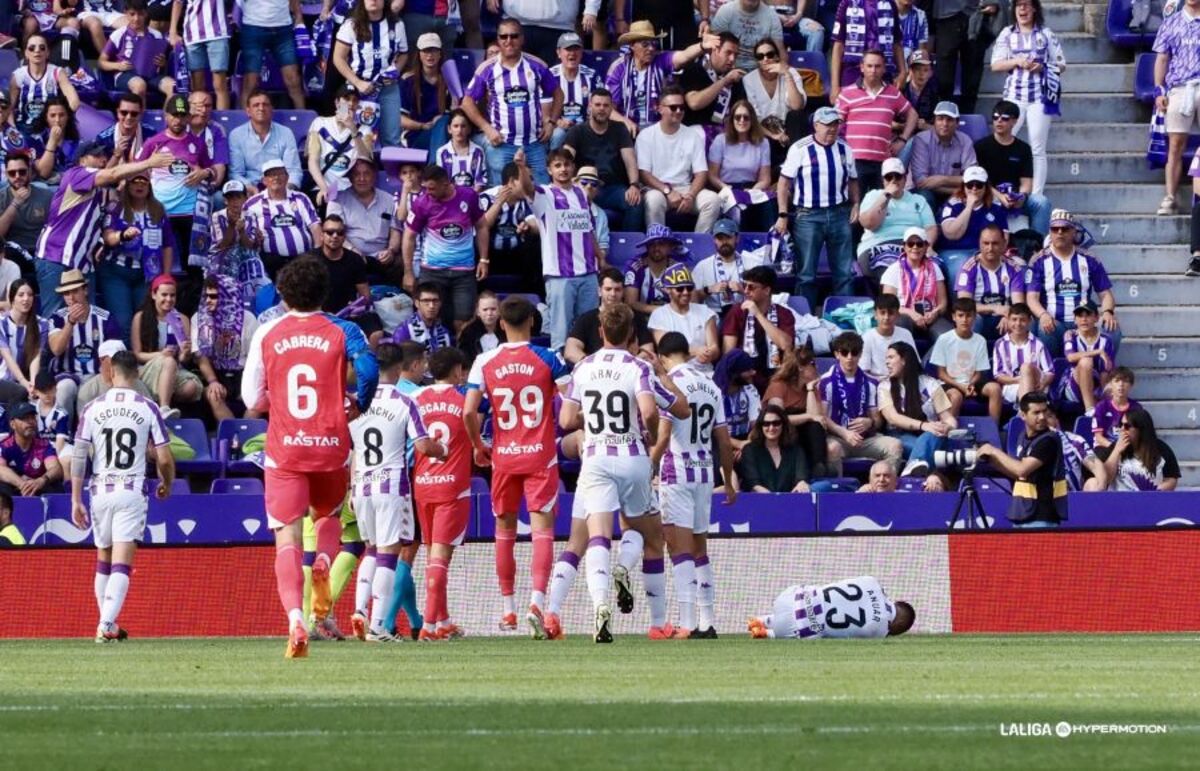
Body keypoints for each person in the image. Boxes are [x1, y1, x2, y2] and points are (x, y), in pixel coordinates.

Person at [241, 256, 379, 658]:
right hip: (331, 445)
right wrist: (360, 402)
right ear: (326, 292)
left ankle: (295, 619)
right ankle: (323, 558)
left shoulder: (268, 332)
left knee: (286, 537)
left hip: (285, 449)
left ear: (282, 295)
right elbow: (368, 367)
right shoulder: (344, 329)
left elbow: (251, 398)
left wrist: (278, 401)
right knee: (329, 517)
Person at [560, 303, 683, 643]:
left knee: (597, 536)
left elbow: (566, 421)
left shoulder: (583, 367)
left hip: (596, 459)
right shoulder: (636, 366)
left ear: (600, 331)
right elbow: (653, 410)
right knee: (652, 538)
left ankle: (600, 608)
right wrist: (651, 433)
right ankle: (657, 622)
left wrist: (594, 420)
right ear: (631, 334)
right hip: (632, 458)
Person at [465, 296, 573, 636]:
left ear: (500, 324)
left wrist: (477, 446)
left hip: (504, 455)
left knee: (504, 533)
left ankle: (508, 609)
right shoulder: (549, 358)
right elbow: (570, 400)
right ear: (532, 321)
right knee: (543, 531)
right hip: (540, 453)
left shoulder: (485, 360)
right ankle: (536, 603)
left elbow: (469, 411)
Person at [70, 351, 173, 643]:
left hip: (99, 490)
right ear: (137, 374)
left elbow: (79, 456)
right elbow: (164, 457)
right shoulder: (148, 407)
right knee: (122, 564)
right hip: (131, 489)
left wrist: (75, 498)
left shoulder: (92, 407)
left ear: (111, 373)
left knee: (103, 558)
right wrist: (167, 481)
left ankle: (107, 623)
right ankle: (106, 624)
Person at [347, 342, 443, 642]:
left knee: (372, 550)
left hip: (361, 484)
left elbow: (351, 449)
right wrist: (443, 450)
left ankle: (360, 610)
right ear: (399, 367)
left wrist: (350, 485)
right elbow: (424, 446)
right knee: (390, 552)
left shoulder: (353, 403)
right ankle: (377, 626)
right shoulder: (404, 401)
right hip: (391, 485)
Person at [651, 331, 735, 638]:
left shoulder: (668, 384)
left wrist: (649, 466)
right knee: (700, 549)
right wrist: (728, 481)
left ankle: (686, 622)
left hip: (677, 470)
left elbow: (663, 435)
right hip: (704, 473)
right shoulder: (712, 385)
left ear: (662, 357)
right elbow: (724, 442)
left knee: (678, 547)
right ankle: (707, 621)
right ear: (686, 352)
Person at [35, 140, 174, 317]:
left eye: (104, 156)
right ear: (82, 160)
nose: (102, 159)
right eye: (97, 156)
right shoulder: (76, 174)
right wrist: (148, 162)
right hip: (56, 257)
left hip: (84, 263)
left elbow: (119, 191)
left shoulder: (101, 192)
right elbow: (113, 173)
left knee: (89, 319)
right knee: (55, 318)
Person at [411, 347, 472, 640]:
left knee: (431, 557)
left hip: (422, 485)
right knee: (440, 558)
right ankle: (429, 626)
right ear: (458, 371)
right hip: (453, 487)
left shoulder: (416, 399)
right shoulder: (464, 400)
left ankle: (443, 619)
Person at [517, 148, 602, 349]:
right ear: (549, 170)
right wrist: (521, 167)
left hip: (589, 273)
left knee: (589, 333)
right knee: (561, 335)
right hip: (559, 275)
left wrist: (601, 259)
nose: (563, 169)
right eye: (557, 165)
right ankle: (561, 378)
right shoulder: (545, 194)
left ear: (573, 167)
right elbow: (527, 189)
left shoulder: (582, 193)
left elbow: (588, 230)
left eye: (566, 164)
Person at [777, 105, 860, 307]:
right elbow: (783, 183)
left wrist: (856, 203)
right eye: (827, 125)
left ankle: (845, 316)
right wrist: (783, 214)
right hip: (808, 215)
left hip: (839, 212)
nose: (832, 129)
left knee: (844, 271)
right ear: (816, 125)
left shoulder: (844, 148)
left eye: (835, 124)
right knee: (806, 273)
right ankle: (804, 316)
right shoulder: (800, 148)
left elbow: (853, 179)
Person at [461, 18, 561, 186]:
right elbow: (467, 102)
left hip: (534, 143)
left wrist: (551, 122)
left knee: (541, 194)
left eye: (514, 36)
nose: (509, 41)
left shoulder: (537, 65)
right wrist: (487, 128)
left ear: (522, 38)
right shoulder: (487, 69)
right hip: (502, 144)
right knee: (502, 194)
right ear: (498, 39)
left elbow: (558, 94)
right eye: (504, 36)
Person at [990, 0, 1065, 197]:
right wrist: (1017, 61)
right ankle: (1002, 189)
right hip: (1014, 96)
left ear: (1034, 8)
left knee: (1038, 147)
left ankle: (1036, 195)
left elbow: (1061, 64)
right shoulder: (1007, 33)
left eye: (1026, 5)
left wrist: (1042, 67)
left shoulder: (1046, 34)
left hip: (1040, 97)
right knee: (1003, 141)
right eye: (1018, 5)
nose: (1022, 9)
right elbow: (995, 64)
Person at [401, 164, 489, 331]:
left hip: (464, 271)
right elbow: (409, 236)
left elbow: (482, 226)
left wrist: (484, 259)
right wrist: (408, 272)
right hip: (432, 270)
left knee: (463, 323)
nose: (428, 193)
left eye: (432, 189)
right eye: (425, 188)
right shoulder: (422, 203)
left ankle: (462, 356)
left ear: (445, 183)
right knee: (429, 319)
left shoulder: (469, 196)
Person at [1025, 209, 1120, 356]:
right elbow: (1032, 298)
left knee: (1111, 328)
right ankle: (1053, 373)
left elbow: (1106, 294)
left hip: (1085, 321)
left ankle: (1105, 371)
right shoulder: (1039, 260)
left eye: (1065, 228)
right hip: (1055, 323)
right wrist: (1043, 315)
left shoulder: (1090, 259)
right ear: (1050, 232)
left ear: (1074, 232)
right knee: (1045, 328)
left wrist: (1107, 312)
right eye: (1055, 229)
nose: (1060, 232)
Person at [99, 172, 175, 339]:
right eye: (135, 182)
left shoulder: (158, 210)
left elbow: (168, 245)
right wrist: (123, 235)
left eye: (144, 182)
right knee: (123, 322)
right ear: (127, 185)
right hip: (116, 271)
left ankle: (142, 360)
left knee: (144, 321)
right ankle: (125, 362)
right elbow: (108, 237)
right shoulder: (116, 207)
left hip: (147, 274)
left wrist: (166, 275)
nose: (140, 186)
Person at [636, 86, 723, 233]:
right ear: (660, 108)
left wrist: (690, 195)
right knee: (654, 200)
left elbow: (701, 173)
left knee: (713, 200)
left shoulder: (692, 135)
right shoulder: (646, 135)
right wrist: (667, 191)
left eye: (681, 108)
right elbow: (644, 173)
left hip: (686, 189)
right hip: (658, 189)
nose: (678, 111)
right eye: (673, 107)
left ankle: (699, 245)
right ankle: (657, 243)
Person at [976, 391, 1068, 528]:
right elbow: (1018, 474)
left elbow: (1021, 470)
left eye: (1044, 411)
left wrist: (993, 450)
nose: (1042, 417)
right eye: (1036, 413)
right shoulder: (1022, 437)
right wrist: (993, 461)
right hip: (1022, 513)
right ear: (1023, 415)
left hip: (1042, 516)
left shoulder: (1049, 440)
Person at [818, 331, 905, 474]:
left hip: (865, 439)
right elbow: (822, 417)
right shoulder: (825, 381)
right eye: (844, 353)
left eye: (855, 352)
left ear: (860, 354)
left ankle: (886, 488)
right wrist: (844, 433)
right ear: (836, 354)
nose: (849, 357)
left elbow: (877, 420)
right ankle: (838, 490)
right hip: (837, 438)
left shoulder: (870, 382)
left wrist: (869, 422)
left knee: (895, 446)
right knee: (832, 449)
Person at [605, 23, 712, 134]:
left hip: (658, 128)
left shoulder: (661, 61)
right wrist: (625, 122)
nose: (651, 48)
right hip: (627, 129)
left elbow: (684, 56)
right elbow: (609, 108)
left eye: (654, 43)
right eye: (645, 44)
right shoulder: (618, 68)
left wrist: (702, 46)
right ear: (632, 45)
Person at [562, 87, 644, 231]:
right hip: (586, 186)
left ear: (612, 108)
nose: (601, 109)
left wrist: (634, 185)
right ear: (590, 107)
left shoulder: (620, 129)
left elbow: (629, 159)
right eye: (598, 105)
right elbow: (566, 159)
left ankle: (630, 249)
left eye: (606, 105)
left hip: (614, 188)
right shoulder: (577, 131)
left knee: (635, 202)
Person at [835, 50, 916, 193]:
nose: (873, 70)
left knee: (880, 208)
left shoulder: (893, 93)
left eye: (878, 66)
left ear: (884, 68)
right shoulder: (847, 93)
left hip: (882, 161)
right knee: (856, 207)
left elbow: (912, 115)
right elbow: (835, 124)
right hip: (855, 160)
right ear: (862, 67)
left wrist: (903, 139)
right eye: (869, 66)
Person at [47, 269, 124, 415]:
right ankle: (64, 434)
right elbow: (56, 349)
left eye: (75, 291)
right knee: (63, 389)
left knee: (98, 389)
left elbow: (116, 355)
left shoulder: (105, 318)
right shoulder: (57, 318)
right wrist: (70, 322)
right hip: (67, 374)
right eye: (66, 293)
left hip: (97, 374)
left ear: (86, 290)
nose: (71, 298)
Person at [333, 0, 408, 148]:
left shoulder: (397, 24)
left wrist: (395, 73)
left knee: (392, 138)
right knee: (343, 130)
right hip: (352, 89)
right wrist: (357, 82)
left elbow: (404, 54)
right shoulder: (350, 25)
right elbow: (337, 58)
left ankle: (390, 171)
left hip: (388, 88)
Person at [973, 99, 1052, 237]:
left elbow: (1026, 183)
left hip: (1014, 197)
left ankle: (1037, 245)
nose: (998, 122)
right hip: (988, 195)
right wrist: (999, 196)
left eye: (1004, 118)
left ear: (1014, 121)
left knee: (1041, 202)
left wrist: (1020, 197)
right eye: (995, 118)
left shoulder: (1023, 148)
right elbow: (978, 182)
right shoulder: (981, 147)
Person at [878, 341, 956, 476]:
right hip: (899, 435)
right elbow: (893, 418)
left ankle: (913, 470)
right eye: (886, 358)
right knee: (930, 450)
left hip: (931, 434)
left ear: (904, 360)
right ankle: (922, 471)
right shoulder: (885, 387)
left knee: (932, 437)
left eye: (891, 357)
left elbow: (948, 418)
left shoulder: (930, 384)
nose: (887, 362)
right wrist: (923, 425)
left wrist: (948, 427)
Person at [747, 575, 915, 638]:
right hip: (793, 629)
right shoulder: (879, 631)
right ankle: (768, 633)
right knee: (815, 630)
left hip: (787, 597)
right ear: (898, 625)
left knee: (814, 596)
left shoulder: (871, 581)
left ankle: (764, 619)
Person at [130, 275, 201, 419]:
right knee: (168, 361)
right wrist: (161, 355)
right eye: (164, 295)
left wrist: (185, 353)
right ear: (153, 294)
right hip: (148, 367)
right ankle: (163, 409)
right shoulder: (140, 317)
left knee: (191, 387)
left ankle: (163, 393)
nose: (169, 299)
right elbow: (137, 355)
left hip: (174, 368)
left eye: (172, 295)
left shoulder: (182, 319)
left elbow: (183, 359)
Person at [1153, 0, 1200, 216]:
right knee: (1175, 145)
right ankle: (1170, 196)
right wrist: (1159, 90)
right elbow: (1162, 58)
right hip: (1180, 87)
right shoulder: (1171, 22)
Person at [191, 275, 260, 422]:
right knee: (214, 394)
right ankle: (231, 436)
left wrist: (248, 384)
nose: (208, 300)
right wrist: (213, 381)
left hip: (242, 372)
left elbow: (255, 358)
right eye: (206, 296)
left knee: (258, 397)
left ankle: (244, 437)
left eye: (214, 296)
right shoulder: (199, 318)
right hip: (214, 373)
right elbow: (201, 357)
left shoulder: (248, 319)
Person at [856, 157, 937, 280]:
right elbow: (869, 224)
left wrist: (928, 245)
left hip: (913, 245)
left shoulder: (918, 200)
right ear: (883, 180)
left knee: (935, 269)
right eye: (889, 177)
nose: (894, 181)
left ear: (904, 179)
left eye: (898, 176)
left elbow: (930, 228)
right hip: (878, 244)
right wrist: (885, 197)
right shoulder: (873, 196)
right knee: (894, 274)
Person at [241, 159, 322, 281]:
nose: (276, 178)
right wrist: (256, 240)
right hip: (272, 264)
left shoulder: (301, 198)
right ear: (264, 181)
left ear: (287, 177)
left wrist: (317, 254)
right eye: (271, 175)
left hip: (302, 261)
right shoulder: (252, 204)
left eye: (280, 173)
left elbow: (315, 227)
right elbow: (248, 240)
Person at [721, 264, 795, 391]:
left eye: (751, 287)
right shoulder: (737, 311)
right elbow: (728, 354)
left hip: (776, 377)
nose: (745, 291)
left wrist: (759, 315)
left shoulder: (784, 314)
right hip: (743, 378)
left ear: (767, 290)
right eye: (745, 286)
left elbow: (786, 345)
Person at [929, 297, 1003, 422]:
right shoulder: (944, 339)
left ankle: (993, 429)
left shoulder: (980, 340)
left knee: (995, 388)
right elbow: (941, 373)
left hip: (972, 382)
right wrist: (961, 386)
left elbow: (979, 373)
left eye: (969, 316)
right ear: (954, 317)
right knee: (956, 396)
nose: (964, 320)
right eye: (960, 315)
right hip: (949, 383)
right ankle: (949, 431)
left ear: (974, 317)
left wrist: (970, 384)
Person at [707, 99, 775, 231]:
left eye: (746, 117)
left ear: (752, 120)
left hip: (752, 187)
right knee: (736, 208)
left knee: (768, 204)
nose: (742, 121)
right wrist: (727, 189)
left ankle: (771, 243)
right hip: (726, 187)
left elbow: (765, 179)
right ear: (732, 120)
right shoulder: (720, 140)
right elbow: (712, 175)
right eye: (737, 117)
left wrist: (752, 192)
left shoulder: (763, 142)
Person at [762, 347, 833, 475]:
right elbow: (776, 418)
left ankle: (818, 468)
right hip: (781, 431)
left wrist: (810, 389)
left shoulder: (811, 387)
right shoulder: (779, 386)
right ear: (800, 367)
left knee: (815, 426)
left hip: (804, 434)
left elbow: (816, 417)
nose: (816, 367)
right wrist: (808, 417)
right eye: (812, 364)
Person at [565, 267, 656, 363]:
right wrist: (594, 364)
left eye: (617, 290)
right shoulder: (586, 319)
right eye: (608, 289)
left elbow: (648, 350)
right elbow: (570, 350)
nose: (613, 294)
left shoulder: (635, 317)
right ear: (599, 291)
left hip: (628, 372)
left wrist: (627, 365)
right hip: (595, 373)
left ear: (623, 292)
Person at [315, 214, 381, 344]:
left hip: (348, 313)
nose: (335, 236)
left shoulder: (355, 260)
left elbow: (365, 295)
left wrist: (358, 307)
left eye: (339, 233)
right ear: (322, 235)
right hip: (319, 315)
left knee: (376, 333)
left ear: (344, 237)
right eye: (330, 232)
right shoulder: (310, 259)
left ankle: (369, 363)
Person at [936, 166, 1008, 284]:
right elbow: (951, 234)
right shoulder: (952, 205)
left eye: (979, 185)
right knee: (960, 269)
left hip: (985, 252)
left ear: (985, 187)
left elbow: (1004, 238)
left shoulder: (995, 208)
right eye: (970, 185)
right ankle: (960, 302)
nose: (974, 189)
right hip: (955, 251)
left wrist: (987, 255)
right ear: (963, 186)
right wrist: (969, 207)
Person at [954, 223, 1026, 340]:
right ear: (979, 244)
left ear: (1004, 243)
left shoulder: (1013, 268)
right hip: (979, 317)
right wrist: (994, 308)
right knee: (969, 320)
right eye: (986, 243)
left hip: (1005, 318)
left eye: (995, 243)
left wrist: (1010, 316)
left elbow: (1019, 304)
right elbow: (963, 306)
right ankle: (969, 357)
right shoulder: (968, 268)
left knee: (1022, 320)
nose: (990, 248)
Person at [880, 226, 952, 342]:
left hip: (930, 316)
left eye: (919, 244)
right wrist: (911, 313)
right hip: (904, 316)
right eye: (910, 244)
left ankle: (928, 360)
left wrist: (936, 312)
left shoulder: (934, 268)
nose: (915, 247)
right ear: (904, 246)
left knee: (948, 338)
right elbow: (888, 305)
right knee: (901, 326)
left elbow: (943, 302)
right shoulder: (893, 270)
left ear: (926, 246)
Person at [306, 85, 374, 206]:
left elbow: (366, 160)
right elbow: (313, 161)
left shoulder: (365, 130)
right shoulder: (320, 123)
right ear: (337, 103)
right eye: (346, 99)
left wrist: (353, 129)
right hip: (322, 185)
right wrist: (323, 188)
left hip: (350, 189)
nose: (350, 103)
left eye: (354, 100)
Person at [97, 0, 174, 102]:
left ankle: (167, 117)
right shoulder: (119, 34)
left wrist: (163, 63)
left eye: (140, 14)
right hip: (126, 75)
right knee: (139, 85)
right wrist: (118, 66)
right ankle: (139, 117)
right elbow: (101, 62)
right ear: (126, 13)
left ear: (146, 13)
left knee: (173, 87)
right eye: (132, 14)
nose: (136, 18)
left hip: (152, 76)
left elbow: (162, 64)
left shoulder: (157, 35)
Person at [648, 263, 721, 368]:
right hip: (676, 373)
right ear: (668, 289)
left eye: (689, 288)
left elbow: (714, 347)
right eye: (680, 289)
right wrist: (696, 351)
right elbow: (667, 349)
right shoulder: (659, 315)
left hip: (705, 372)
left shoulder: (706, 312)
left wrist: (709, 354)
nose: (686, 292)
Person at [908, 100, 977, 212]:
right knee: (924, 197)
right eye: (940, 119)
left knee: (965, 200)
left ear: (957, 123)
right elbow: (921, 182)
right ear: (934, 121)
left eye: (949, 120)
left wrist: (941, 180)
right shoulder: (922, 139)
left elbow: (972, 178)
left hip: (953, 191)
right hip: (928, 191)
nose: (944, 124)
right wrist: (956, 188)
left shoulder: (965, 141)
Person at [228, 90, 304, 191]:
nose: (261, 108)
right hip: (249, 190)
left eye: (265, 105)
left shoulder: (286, 133)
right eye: (256, 105)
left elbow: (294, 171)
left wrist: (286, 189)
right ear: (248, 111)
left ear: (272, 109)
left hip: (280, 187)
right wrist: (250, 188)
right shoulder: (236, 135)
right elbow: (236, 174)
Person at [679, 32, 747, 141]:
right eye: (728, 53)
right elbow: (694, 103)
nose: (732, 59)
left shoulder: (735, 78)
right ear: (715, 50)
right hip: (694, 136)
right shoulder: (694, 70)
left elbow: (739, 110)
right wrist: (724, 81)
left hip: (723, 137)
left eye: (736, 55)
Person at [830, 0, 905, 99]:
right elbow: (839, 45)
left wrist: (903, 72)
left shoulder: (890, 4)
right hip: (853, 70)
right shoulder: (847, 3)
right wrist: (834, 86)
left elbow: (896, 43)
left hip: (882, 71)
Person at [237, 0, 306, 108]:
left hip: (283, 29)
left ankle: (303, 120)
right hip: (253, 27)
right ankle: (243, 121)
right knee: (250, 82)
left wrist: (299, 16)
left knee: (294, 80)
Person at [692, 217, 766, 314]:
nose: (724, 242)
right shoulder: (703, 266)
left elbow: (765, 298)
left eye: (728, 237)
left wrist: (743, 290)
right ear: (714, 240)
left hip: (745, 314)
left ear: (737, 238)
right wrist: (708, 290)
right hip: (713, 316)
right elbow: (691, 301)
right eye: (720, 238)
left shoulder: (753, 264)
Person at [8, 32, 79, 132]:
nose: (37, 51)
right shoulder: (18, 75)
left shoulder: (57, 72)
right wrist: (13, 128)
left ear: (48, 53)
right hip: (24, 128)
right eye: (32, 48)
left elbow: (74, 101)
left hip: (50, 128)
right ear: (26, 54)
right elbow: (9, 108)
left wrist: (61, 121)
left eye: (42, 48)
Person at [931, 0, 993, 114]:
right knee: (943, 78)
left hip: (977, 12)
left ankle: (967, 117)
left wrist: (995, 2)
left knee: (972, 79)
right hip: (945, 15)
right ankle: (943, 116)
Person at [168, 0, 232, 110]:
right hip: (193, 34)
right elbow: (178, 2)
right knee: (197, 85)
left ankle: (223, 120)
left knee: (220, 84)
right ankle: (198, 119)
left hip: (217, 33)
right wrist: (172, 31)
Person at [735, 403, 813, 492]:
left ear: (783, 425)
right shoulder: (750, 450)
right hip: (759, 501)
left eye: (776, 423)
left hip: (790, 501)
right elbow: (753, 484)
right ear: (760, 426)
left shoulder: (796, 450)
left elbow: (801, 477)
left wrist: (801, 484)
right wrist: (773, 500)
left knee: (822, 486)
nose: (771, 428)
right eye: (766, 424)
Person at [399, 32, 456, 151]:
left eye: (434, 50)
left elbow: (456, 112)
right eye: (425, 51)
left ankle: (434, 165)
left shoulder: (449, 78)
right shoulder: (408, 80)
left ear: (440, 53)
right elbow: (399, 119)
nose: (430, 55)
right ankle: (435, 165)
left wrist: (443, 118)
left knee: (444, 121)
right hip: (416, 133)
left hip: (445, 131)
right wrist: (422, 126)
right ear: (419, 54)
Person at [992, 302, 1055, 409]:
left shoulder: (1038, 344)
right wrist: (1021, 380)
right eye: (1014, 319)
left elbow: (1050, 372)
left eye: (1022, 320)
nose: (1018, 323)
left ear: (1029, 321)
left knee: (1026, 367)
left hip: (1037, 385)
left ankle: (1023, 413)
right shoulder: (1000, 344)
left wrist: (1043, 384)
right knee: (1025, 378)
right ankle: (1024, 412)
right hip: (1012, 385)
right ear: (1008, 320)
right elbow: (998, 375)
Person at [1103, 408, 1181, 492]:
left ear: (1140, 429)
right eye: (1120, 425)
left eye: (1127, 426)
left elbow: (1171, 479)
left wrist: (1155, 492)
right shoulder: (1116, 446)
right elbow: (1106, 479)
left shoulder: (1161, 449)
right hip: (1120, 500)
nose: (1122, 429)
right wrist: (1117, 451)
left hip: (1151, 499)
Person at [0, 401, 65, 498]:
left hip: (37, 485)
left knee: (56, 487)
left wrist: (42, 480)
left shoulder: (44, 444)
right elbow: (1, 469)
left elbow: (56, 468)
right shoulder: (5, 445)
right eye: (24, 418)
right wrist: (22, 484)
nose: (30, 422)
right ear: (13, 424)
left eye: (32, 417)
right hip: (15, 487)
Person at [75, 340, 157, 414]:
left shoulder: (137, 385)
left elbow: (151, 414)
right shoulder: (89, 391)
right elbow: (85, 424)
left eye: (121, 359)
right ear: (101, 360)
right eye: (114, 359)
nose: (119, 363)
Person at [0, 280, 48, 402]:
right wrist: (23, 383)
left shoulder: (41, 324)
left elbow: (35, 357)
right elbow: (7, 357)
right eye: (21, 295)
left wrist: (32, 384)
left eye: (30, 295)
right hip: (3, 378)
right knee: (21, 393)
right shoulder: (1, 323)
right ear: (12, 299)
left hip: (27, 378)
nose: (26, 299)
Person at [548, 32, 597, 150]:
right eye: (568, 49)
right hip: (558, 127)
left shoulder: (592, 76)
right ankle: (553, 165)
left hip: (586, 127)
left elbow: (601, 103)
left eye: (576, 49)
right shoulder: (549, 76)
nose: (572, 53)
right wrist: (557, 121)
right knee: (558, 135)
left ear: (582, 52)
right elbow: (540, 107)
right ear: (558, 52)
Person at [0, 153, 53, 261]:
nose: (17, 176)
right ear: (6, 174)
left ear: (30, 171)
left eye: (22, 172)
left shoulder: (47, 196)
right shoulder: (1, 197)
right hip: (13, 252)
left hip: (43, 251)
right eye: (12, 173)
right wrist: (15, 204)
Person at [741, 37, 805, 126]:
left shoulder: (791, 73)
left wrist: (787, 75)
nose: (765, 59)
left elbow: (796, 106)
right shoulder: (749, 79)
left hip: (788, 125)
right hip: (761, 128)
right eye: (760, 56)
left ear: (777, 56)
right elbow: (754, 114)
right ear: (757, 60)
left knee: (796, 115)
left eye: (770, 54)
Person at [712, 0, 787, 71]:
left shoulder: (771, 16)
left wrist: (784, 70)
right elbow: (715, 47)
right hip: (729, 66)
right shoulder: (726, 11)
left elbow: (780, 51)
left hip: (759, 69)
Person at [861, 294, 916, 379]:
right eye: (882, 313)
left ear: (897, 315)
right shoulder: (867, 337)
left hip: (902, 381)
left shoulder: (906, 334)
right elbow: (863, 372)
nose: (886, 317)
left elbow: (913, 364)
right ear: (875, 315)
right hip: (877, 382)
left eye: (890, 313)